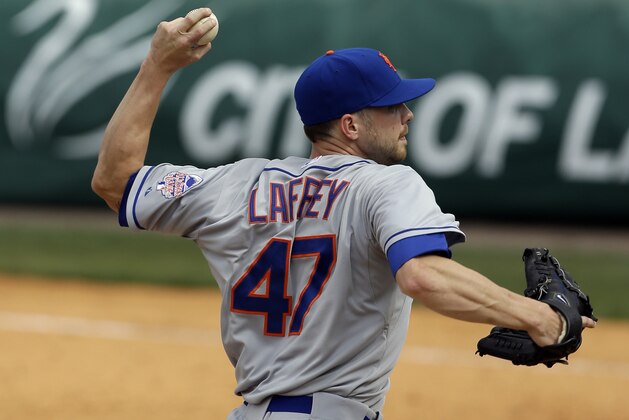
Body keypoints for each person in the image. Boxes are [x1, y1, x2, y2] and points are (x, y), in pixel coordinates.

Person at [92, 8, 596, 420]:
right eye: (393, 106)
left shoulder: (237, 184)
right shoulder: (387, 184)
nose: (409, 115)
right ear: (351, 125)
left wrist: (156, 66)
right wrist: (541, 319)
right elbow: (422, 275)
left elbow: (114, 182)